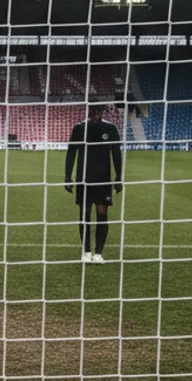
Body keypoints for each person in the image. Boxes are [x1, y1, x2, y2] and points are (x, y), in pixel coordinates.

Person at [65, 105, 123, 264]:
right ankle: (86, 251)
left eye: (98, 112)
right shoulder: (79, 128)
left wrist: (118, 178)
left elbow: (116, 154)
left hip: (103, 178)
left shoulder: (110, 129)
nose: (95, 115)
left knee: (102, 213)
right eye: (93, 112)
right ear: (88, 112)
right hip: (83, 178)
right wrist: (67, 177)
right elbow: (71, 152)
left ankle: (98, 253)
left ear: (102, 113)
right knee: (85, 214)